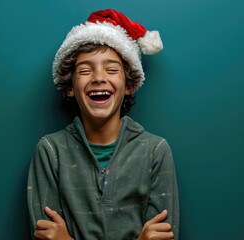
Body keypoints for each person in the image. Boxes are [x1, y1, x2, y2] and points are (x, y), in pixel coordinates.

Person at [27, 9, 179, 240]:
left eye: (111, 69)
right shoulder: (50, 151)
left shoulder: (155, 151)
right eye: (85, 70)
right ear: (70, 87)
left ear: (129, 84)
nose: (98, 77)